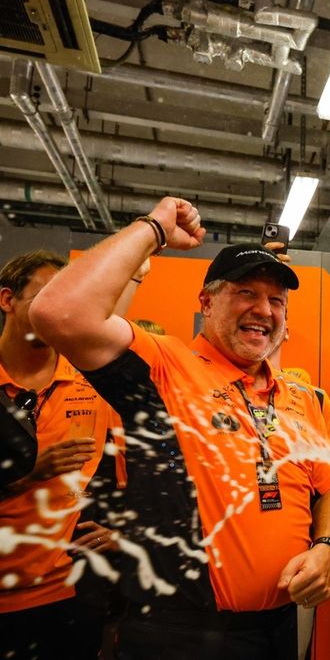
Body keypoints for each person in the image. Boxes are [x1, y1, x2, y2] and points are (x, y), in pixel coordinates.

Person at [29, 198, 330, 659]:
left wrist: (328, 547)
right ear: (206, 301)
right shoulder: (166, 365)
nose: (264, 309)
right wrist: (153, 228)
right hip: (181, 635)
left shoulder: (299, 396)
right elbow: (58, 313)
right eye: (246, 293)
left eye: (276, 300)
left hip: (280, 628)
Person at [0, 250, 126, 660]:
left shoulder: (91, 381)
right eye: (45, 295)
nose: (59, 308)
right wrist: (28, 475)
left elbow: (147, 470)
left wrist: (127, 531)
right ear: (7, 300)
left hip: (69, 600)